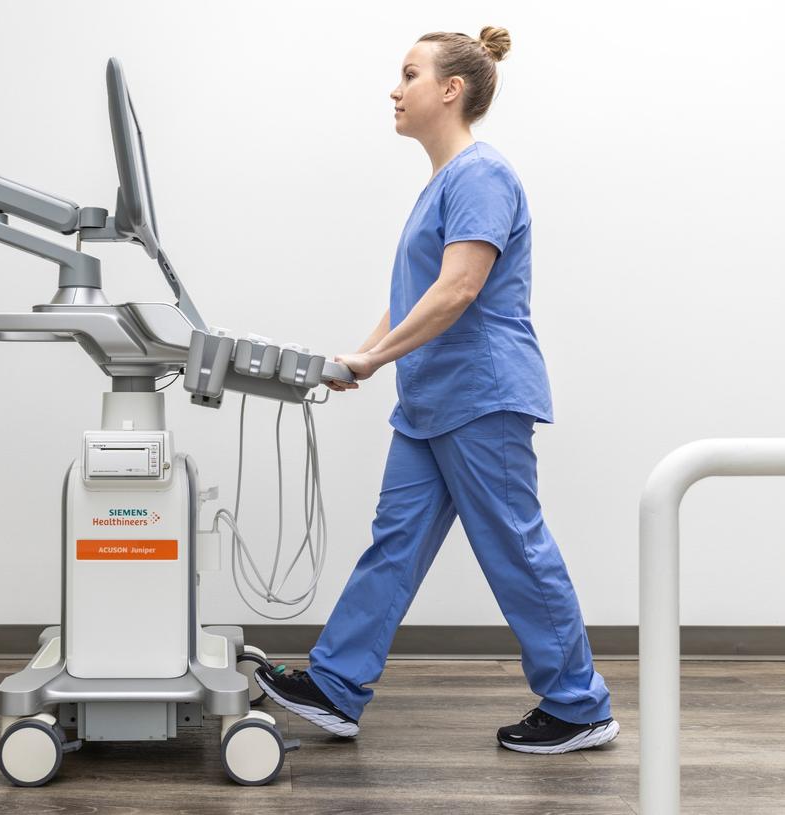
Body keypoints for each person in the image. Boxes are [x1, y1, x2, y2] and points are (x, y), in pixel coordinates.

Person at [255, 26, 618, 755]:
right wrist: (362, 356)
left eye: (409, 74)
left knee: (514, 545)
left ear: (451, 90)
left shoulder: (482, 175)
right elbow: (417, 295)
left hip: (481, 395)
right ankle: (337, 684)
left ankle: (579, 705)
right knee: (395, 543)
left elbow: (458, 289)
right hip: (430, 402)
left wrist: (375, 357)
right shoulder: (443, 183)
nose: (395, 90)